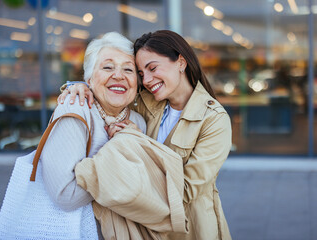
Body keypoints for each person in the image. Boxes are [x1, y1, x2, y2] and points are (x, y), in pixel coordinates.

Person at [60, 30, 232, 240]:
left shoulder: (214, 119)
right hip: (143, 227)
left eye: (152, 68)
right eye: (140, 73)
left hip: (189, 229)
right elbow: (112, 89)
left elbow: (184, 192)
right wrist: (80, 87)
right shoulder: (145, 102)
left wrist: (134, 140)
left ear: (181, 62)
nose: (147, 80)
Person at [41, 32, 146, 239]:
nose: (118, 75)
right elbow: (66, 195)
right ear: (89, 78)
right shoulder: (75, 109)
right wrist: (121, 150)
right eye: (107, 67)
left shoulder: (138, 121)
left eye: (128, 69)